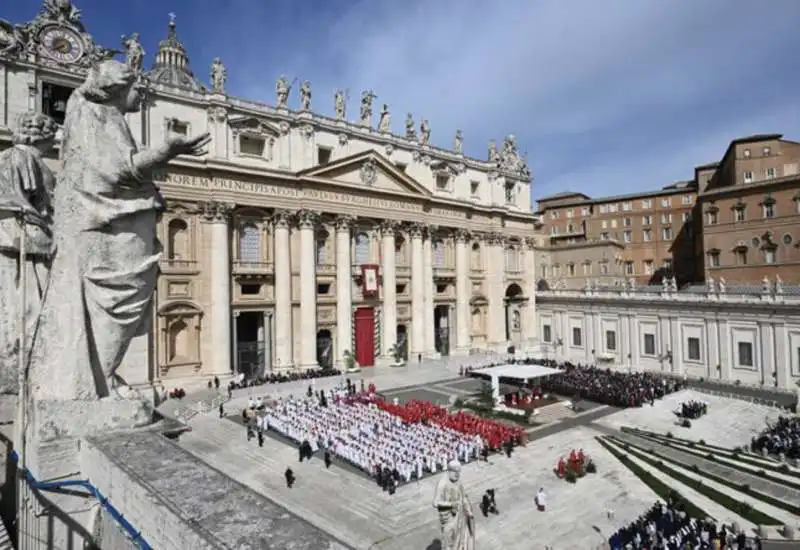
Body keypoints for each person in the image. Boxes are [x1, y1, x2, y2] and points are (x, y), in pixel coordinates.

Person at [27, 60, 210, 400]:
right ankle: (101, 378)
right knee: (119, 301)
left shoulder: (105, 117)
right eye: (137, 89)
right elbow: (115, 171)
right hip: (109, 227)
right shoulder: (93, 114)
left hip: (112, 223)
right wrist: (164, 151)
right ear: (118, 87)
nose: (142, 95)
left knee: (123, 302)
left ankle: (102, 376)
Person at [0, 112, 59, 394]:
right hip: (27, 242)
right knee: (31, 306)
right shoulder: (22, 157)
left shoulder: (19, 157)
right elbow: (22, 204)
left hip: (27, 240)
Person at [432, 460, 475, 550]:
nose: (457, 474)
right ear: (449, 471)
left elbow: (463, 495)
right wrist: (451, 504)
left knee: (461, 538)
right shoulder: (442, 483)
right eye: (455, 472)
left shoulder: (457, 480)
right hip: (448, 518)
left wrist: (468, 510)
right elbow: (435, 502)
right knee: (449, 543)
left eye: (458, 472)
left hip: (460, 515)